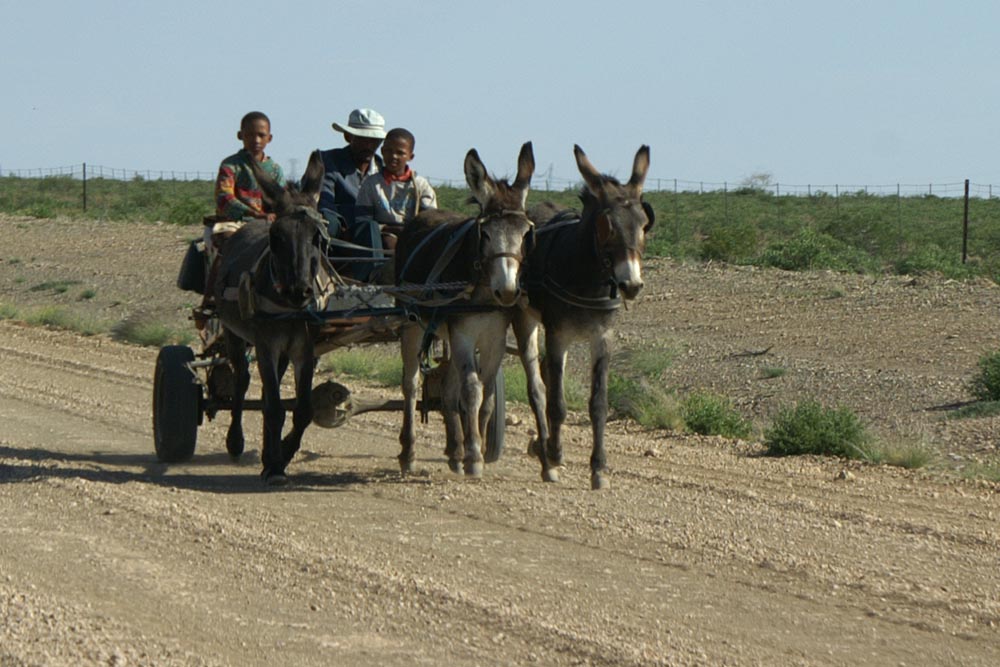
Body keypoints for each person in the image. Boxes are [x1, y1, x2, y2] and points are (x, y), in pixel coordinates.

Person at [196, 111, 285, 326]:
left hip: (264, 223)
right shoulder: (231, 165)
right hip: (234, 221)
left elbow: (280, 199)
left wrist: (274, 214)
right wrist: (253, 213)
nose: (256, 140)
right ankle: (212, 298)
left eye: (261, 135)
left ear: (269, 138)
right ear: (240, 136)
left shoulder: (275, 169)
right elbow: (224, 197)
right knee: (228, 244)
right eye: (250, 135)